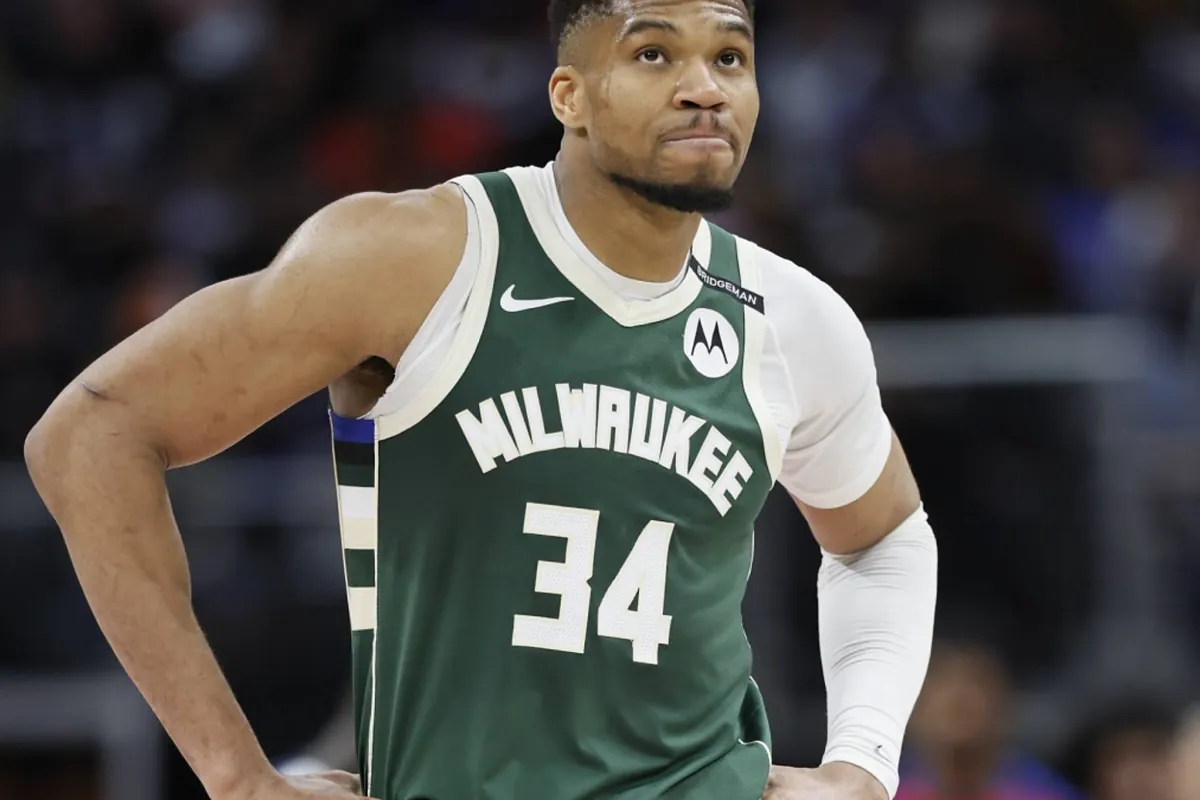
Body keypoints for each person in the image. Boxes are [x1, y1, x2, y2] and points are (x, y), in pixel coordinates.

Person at [23, 1, 939, 798]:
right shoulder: (416, 257)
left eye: (730, 56)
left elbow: (884, 539)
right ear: (569, 96)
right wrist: (236, 776)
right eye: (655, 53)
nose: (704, 89)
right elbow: (91, 433)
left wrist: (861, 764)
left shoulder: (792, 316)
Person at [897, 629, 1084, 800]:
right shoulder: (885, 788)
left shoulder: (1045, 793)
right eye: (944, 683)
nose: (960, 695)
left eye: (976, 681)